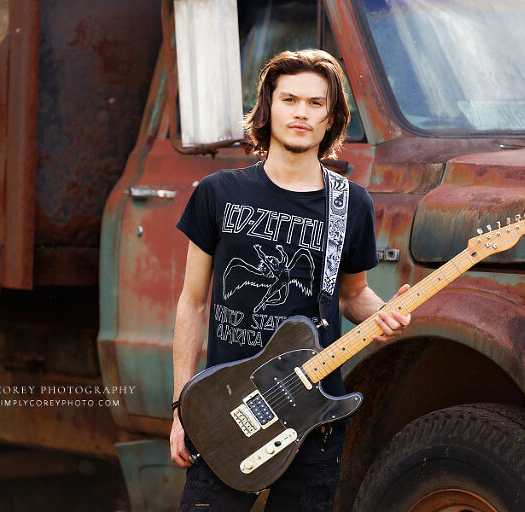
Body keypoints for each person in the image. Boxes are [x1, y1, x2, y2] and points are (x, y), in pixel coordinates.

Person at [170, 49, 411, 512]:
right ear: (268, 108)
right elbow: (193, 304)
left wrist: (383, 312)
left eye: (316, 103)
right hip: (225, 410)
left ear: (331, 119)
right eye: (289, 99)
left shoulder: (352, 204)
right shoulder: (218, 192)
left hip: (312, 416)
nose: (301, 112)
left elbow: (354, 295)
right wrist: (183, 407)